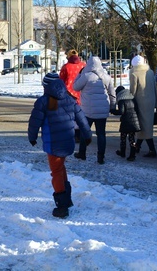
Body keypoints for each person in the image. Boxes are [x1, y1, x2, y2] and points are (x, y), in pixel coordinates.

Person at [28, 72, 92, 218]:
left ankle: (62, 206)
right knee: (60, 168)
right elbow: (82, 119)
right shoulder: (69, 99)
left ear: (46, 87)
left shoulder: (44, 102)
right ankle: (66, 199)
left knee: (56, 171)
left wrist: (32, 137)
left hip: (53, 144)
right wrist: (87, 135)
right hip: (67, 141)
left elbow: (34, 122)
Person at [72, 56, 115, 164]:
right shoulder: (106, 77)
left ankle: (82, 153)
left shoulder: (86, 76)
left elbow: (75, 87)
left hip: (88, 110)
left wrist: (79, 75)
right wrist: (112, 106)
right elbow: (112, 94)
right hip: (102, 110)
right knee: (101, 134)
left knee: (84, 132)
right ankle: (101, 157)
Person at [129, 55, 157, 158]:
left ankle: (152, 149)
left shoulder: (134, 73)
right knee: (145, 124)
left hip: (140, 101)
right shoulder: (149, 72)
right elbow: (155, 87)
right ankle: (138, 145)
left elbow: (133, 90)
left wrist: (130, 101)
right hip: (151, 100)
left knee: (143, 125)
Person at [113, 85, 141, 161]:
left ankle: (122, 152)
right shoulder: (132, 97)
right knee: (132, 139)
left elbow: (121, 111)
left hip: (126, 122)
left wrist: (112, 111)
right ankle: (132, 155)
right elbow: (137, 109)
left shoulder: (121, 100)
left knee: (123, 138)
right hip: (134, 122)